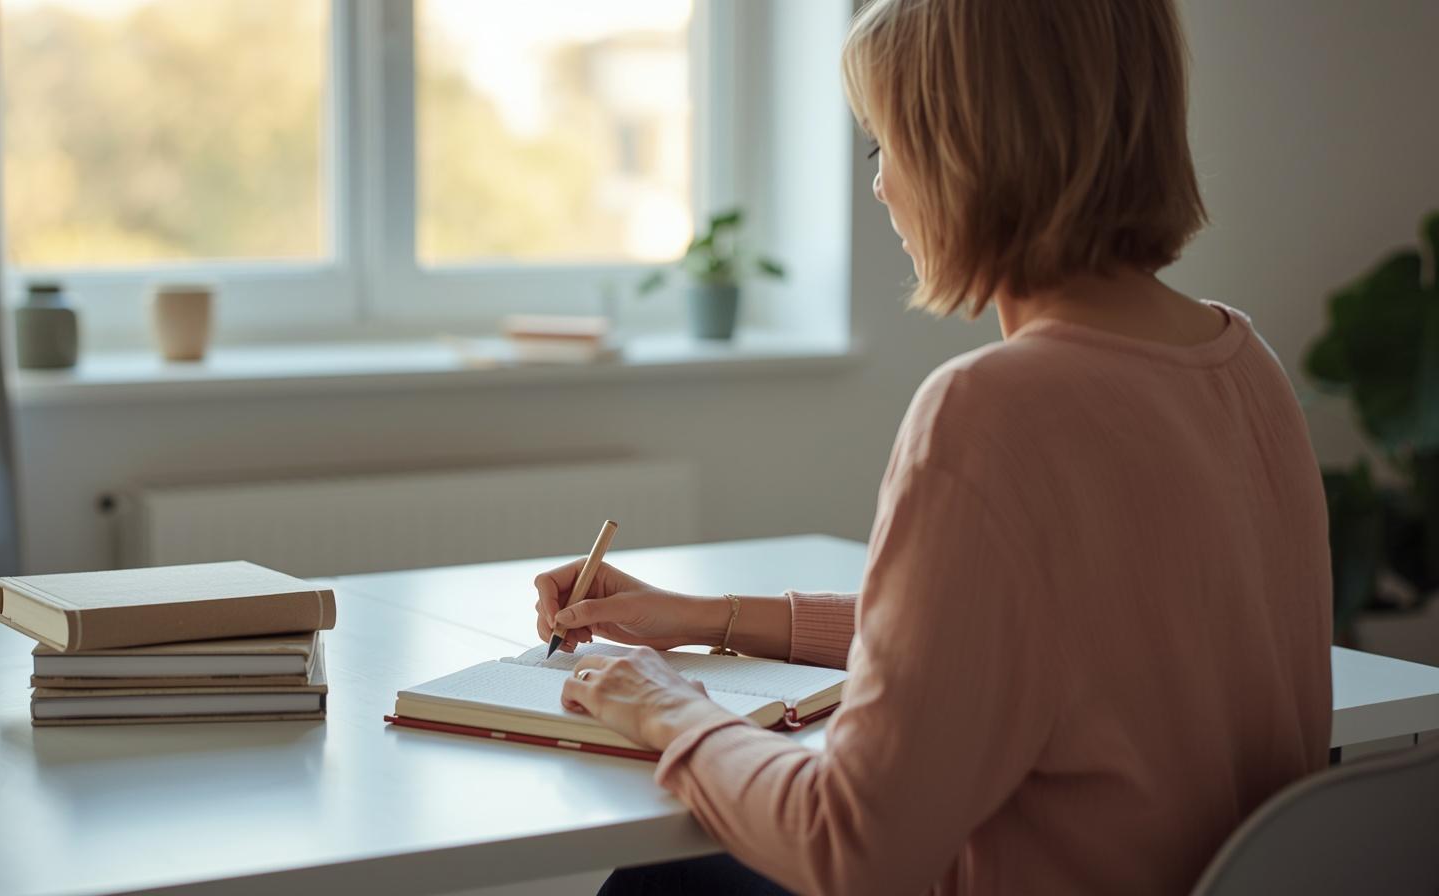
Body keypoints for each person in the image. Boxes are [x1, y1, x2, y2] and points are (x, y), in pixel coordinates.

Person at [533, 0, 1332, 893]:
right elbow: (1002, 634)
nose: (880, 187)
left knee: (660, 881)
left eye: (885, 148)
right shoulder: (1241, 364)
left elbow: (849, 847)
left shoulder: (992, 410)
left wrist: (669, 710)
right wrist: (703, 617)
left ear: (969, 150)